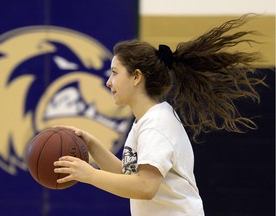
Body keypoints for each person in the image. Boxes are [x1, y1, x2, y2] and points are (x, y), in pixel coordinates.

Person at [53, 14, 265, 216]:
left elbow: (146, 187)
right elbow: (128, 175)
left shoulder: (156, 123)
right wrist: (91, 144)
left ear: (137, 77)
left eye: (115, 73)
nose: (109, 82)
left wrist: (90, 175)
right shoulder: (146, 120)